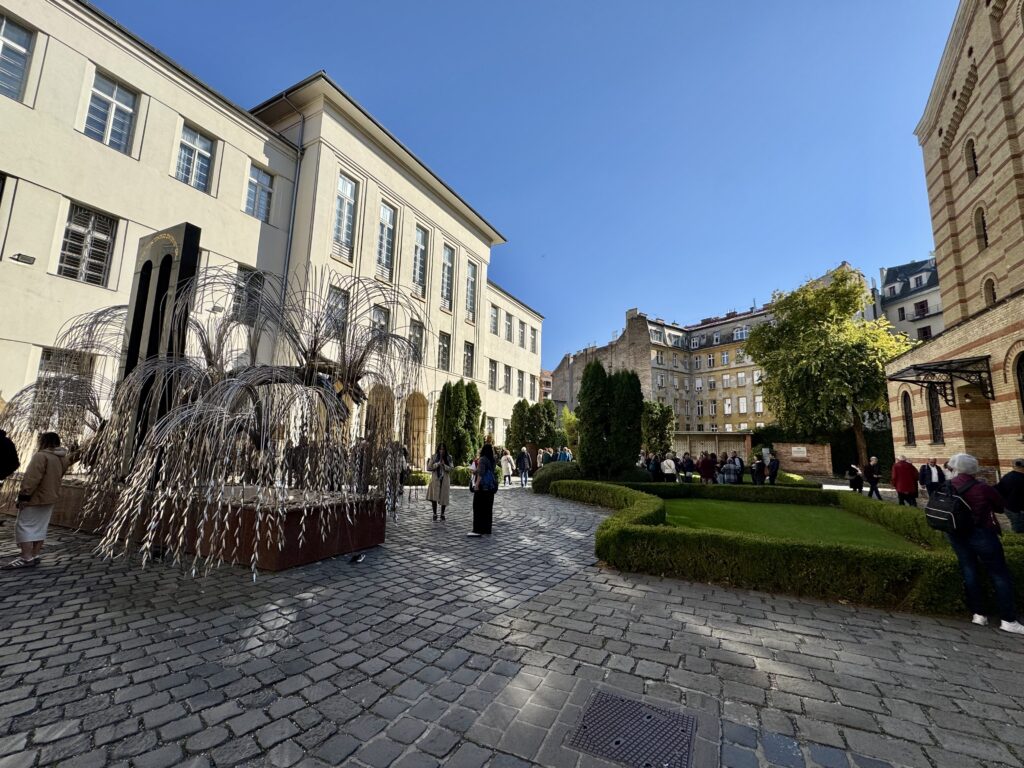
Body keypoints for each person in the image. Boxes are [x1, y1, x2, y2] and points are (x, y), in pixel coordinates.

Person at [943, 453, 1024, 635]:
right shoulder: (981, 487)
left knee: (969, 571)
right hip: (981, 532)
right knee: (999, 574)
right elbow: (1000, 506)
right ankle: (1008, 619)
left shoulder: (948, 485)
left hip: (956, 534)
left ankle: (979, 614)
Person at [5, 432, 69, 569]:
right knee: (40, 527)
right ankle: (34, 554)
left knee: (24, 526)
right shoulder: (62, 458)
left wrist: (24, 496)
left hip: (35, 497)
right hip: (50, 497)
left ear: (43, 441)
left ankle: (26, 557)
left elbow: (32, 478)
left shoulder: (41, 456)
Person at [469, 444, 497, 537]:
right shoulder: (492, 460)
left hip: (482, 488)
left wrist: (476, 485)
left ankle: (478, 529)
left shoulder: (482, 459)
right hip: (490, 488)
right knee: (488, 510)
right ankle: (487, 529)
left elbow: (481, 473)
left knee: (478, 508)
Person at [996, 458, 1024, 534]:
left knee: (1017, 527)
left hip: (1009, 508)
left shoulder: (1007, 477)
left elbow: (998, 491)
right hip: (1018, 510)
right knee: (1019, 529)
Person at [426, 444, 453, 521]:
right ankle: (434, 513)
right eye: (440, 449)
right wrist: (437, 464)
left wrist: (444, 465)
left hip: (445, 480)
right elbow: (429, 467)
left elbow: (451, 468)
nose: (442, 451)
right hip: (435, 479)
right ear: (438, 449)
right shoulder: (434, 456)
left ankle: (442, 514)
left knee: (444, 497)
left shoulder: (449, 457)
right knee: (434, 497)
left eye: (443, 449)